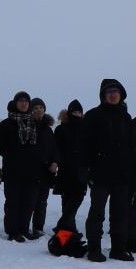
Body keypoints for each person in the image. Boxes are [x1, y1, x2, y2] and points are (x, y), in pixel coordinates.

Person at [80, 79, 136, 262]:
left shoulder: (126, 117)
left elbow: (132, 148)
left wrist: (133, 174)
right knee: (97, 213)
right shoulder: (92, 116)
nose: (113, 94)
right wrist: (87, 172)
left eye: (116, 91)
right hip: (99, 175)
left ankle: (118, 249)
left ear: (121, 95)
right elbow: (83, 148)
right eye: (109, 91)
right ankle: (94, 249)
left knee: (120, 214)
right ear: (103, 95)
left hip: (121, 176)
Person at [0, 91, 52, 242]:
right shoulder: (6, 124)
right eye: (21, 101)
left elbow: (43, 145)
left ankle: (24, 230)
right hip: (13, 170)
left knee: (28, 203)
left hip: (32, 171)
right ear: (15, 103)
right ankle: (13, 231)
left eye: (26, 101)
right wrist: (13, 153)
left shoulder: (35, 123)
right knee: (13, 202)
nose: (24, 103)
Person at [52, 99, 90, 232]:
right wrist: (57, 161)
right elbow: (55, 148)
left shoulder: (86, 129)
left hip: (81, 171)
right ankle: (67, 230)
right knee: (67, 200)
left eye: (79, 112)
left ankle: (63, 226)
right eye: (74, 112)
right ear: (69, 113)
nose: (77, 115)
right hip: (66, 170)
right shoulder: (61, 129)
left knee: (77, 198)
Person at [26, 97, 57, 236]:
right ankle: (24, 227)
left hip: (45, 171)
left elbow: (55, 149)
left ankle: (38, 227)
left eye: (41, 108)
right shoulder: (27, 126)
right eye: (36, 108)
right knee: (29, 201)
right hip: (31, 170)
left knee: (42, 202)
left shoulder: (48, 130)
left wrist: (55, 162)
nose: (39, 111)